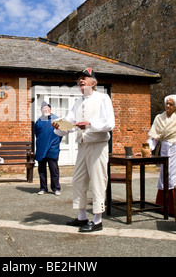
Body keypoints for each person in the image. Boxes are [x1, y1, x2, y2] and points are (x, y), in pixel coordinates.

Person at [52, 68, 115, 233]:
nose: (80, 81)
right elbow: (70, 122)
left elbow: (110, 124)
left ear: (93, 82)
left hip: (97, 144)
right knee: (78, 180)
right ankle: (81, 217)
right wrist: (59, 126)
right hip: (82, 144)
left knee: (98, 180)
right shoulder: (78, 102)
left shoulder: (103, 98)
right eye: (79, 79)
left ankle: (97, 219)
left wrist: (89, 124)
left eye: (84, 78)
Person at [34, 101, 62, 196]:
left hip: (53, 148)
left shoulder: (56, 119)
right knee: (41, 169)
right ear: (41, 111)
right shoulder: (38, 121)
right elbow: (37, 134)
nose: (45, 110)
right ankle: (43, 188)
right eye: (43, 109)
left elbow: (61, 133)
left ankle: (56, 188)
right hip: (41, 148)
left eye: (47, 108)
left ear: (50, 109)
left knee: (53, 169)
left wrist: (55, 143)